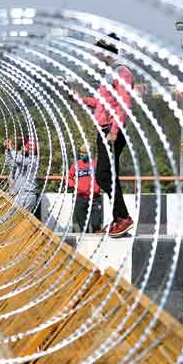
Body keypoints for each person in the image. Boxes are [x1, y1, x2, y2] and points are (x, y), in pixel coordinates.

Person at [71, 33, 134, 238]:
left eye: (99, 50)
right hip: (104, 130)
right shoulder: (109, 74)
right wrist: (80, 99)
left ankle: (123, 217)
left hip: (111, 131)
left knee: (103, 175)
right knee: (108, 175)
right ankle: (119, 219)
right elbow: (101, 104)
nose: (96, 54)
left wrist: (114, 131)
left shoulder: (122, 73)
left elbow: (123, 104)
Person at [66, 147, 103, 233]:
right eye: (81, 153)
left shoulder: (96, 164)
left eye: (84, 153)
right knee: (83, 226)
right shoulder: (76, 165)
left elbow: (103, 176)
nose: (82, 155)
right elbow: (69, 177)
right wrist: (74, 185)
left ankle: (96, 241)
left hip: (95, 198)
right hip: (80, 198)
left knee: (96, 224)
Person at [4, 137, 39, 212]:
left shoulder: (33, 161)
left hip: (27, 195)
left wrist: (11, 148)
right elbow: (9, 162)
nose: (22, 148)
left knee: (19, 219)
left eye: (25, 147)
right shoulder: (23, 161)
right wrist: (7, 151)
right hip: (20, 194)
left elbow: (18, 159)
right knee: (11, 218)